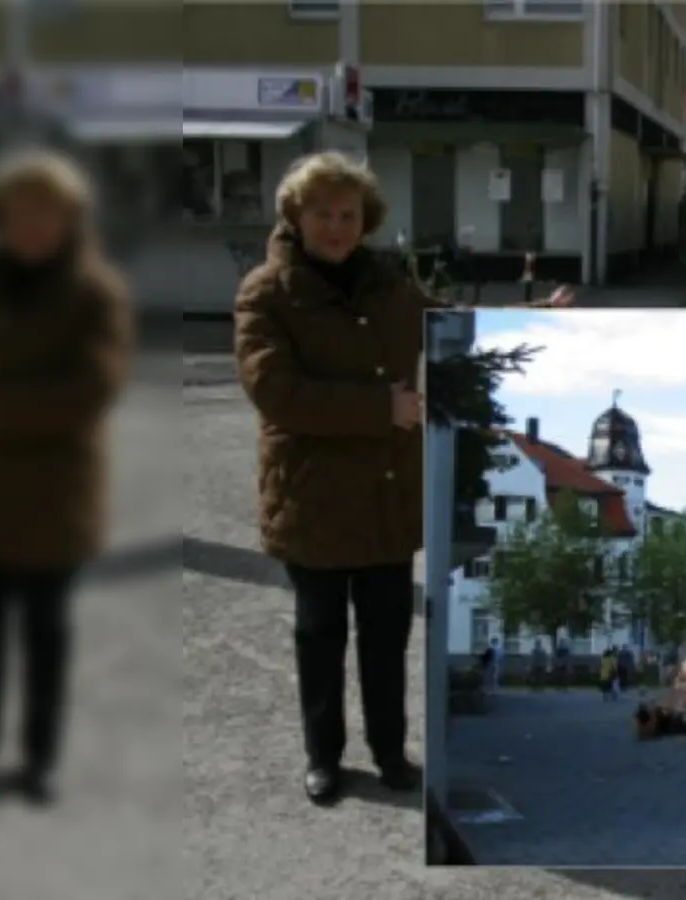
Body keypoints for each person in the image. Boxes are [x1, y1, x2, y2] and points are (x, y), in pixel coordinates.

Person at [233, 151, 432, 806]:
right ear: (296, 213)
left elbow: (445, 324)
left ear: (365, 220)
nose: (337, 227)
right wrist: (383, 409)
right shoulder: (267, 291)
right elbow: (277, 392)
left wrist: (542, 310)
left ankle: (389, 752)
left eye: (348, 214)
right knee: (320, 637)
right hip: (314, 496)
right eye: (323, 213)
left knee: (386, 636)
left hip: (384, 492)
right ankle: (323, 757)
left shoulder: (390, 285)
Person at [0, 148, 132, 805]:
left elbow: (88, 392)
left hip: (53, 501)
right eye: (18, 214)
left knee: (45, 636)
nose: (30, 227)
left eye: (44, 214)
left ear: (69, 219)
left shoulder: (93, 291)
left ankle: (39, 759)